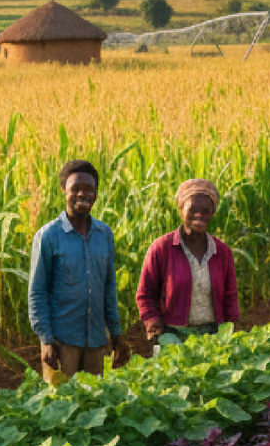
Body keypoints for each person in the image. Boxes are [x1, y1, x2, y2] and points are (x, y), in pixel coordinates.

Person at [29, 159, 128, 380]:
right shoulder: (48, 236)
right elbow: (38, 292)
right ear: (63, 190)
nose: (83, 194)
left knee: (95, 398)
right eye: (75, 189)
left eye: (89, 189)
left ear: (96, 193)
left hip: (96, 341)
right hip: (62, 342)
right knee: (61, 399)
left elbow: (108, 287)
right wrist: (46, 340)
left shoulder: (104, 235)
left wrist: (116, 334)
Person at [137, 178, 241, 343]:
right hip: (173, 333)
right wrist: (153, 323)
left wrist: (232, 329)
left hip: (213, 335)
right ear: (181, 209)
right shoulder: (162, 248)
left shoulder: (222, 252)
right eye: (192, 209)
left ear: (213, 213)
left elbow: (230, 296)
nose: (199, 215)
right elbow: (145, 294)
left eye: (206, 210)